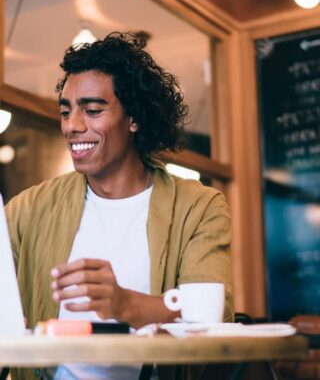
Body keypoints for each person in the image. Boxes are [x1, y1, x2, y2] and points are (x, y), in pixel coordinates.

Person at [5, 32, 233, 380]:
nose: (72, 126)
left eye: (93, 110)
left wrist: (123, 303)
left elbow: (210, 321)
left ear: (134, 118)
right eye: (66, 112)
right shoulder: (30, 208)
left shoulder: (197, 207)